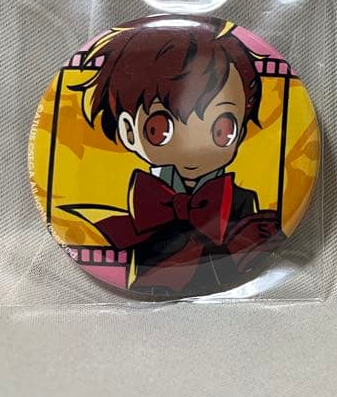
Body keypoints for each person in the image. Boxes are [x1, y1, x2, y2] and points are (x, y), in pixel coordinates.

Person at [66, 15, 283, 297]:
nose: (192, 148)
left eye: (221, 130)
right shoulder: (136, 212)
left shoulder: (244, 204)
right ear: (129, 132)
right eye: (159, 129)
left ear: (240, 132)